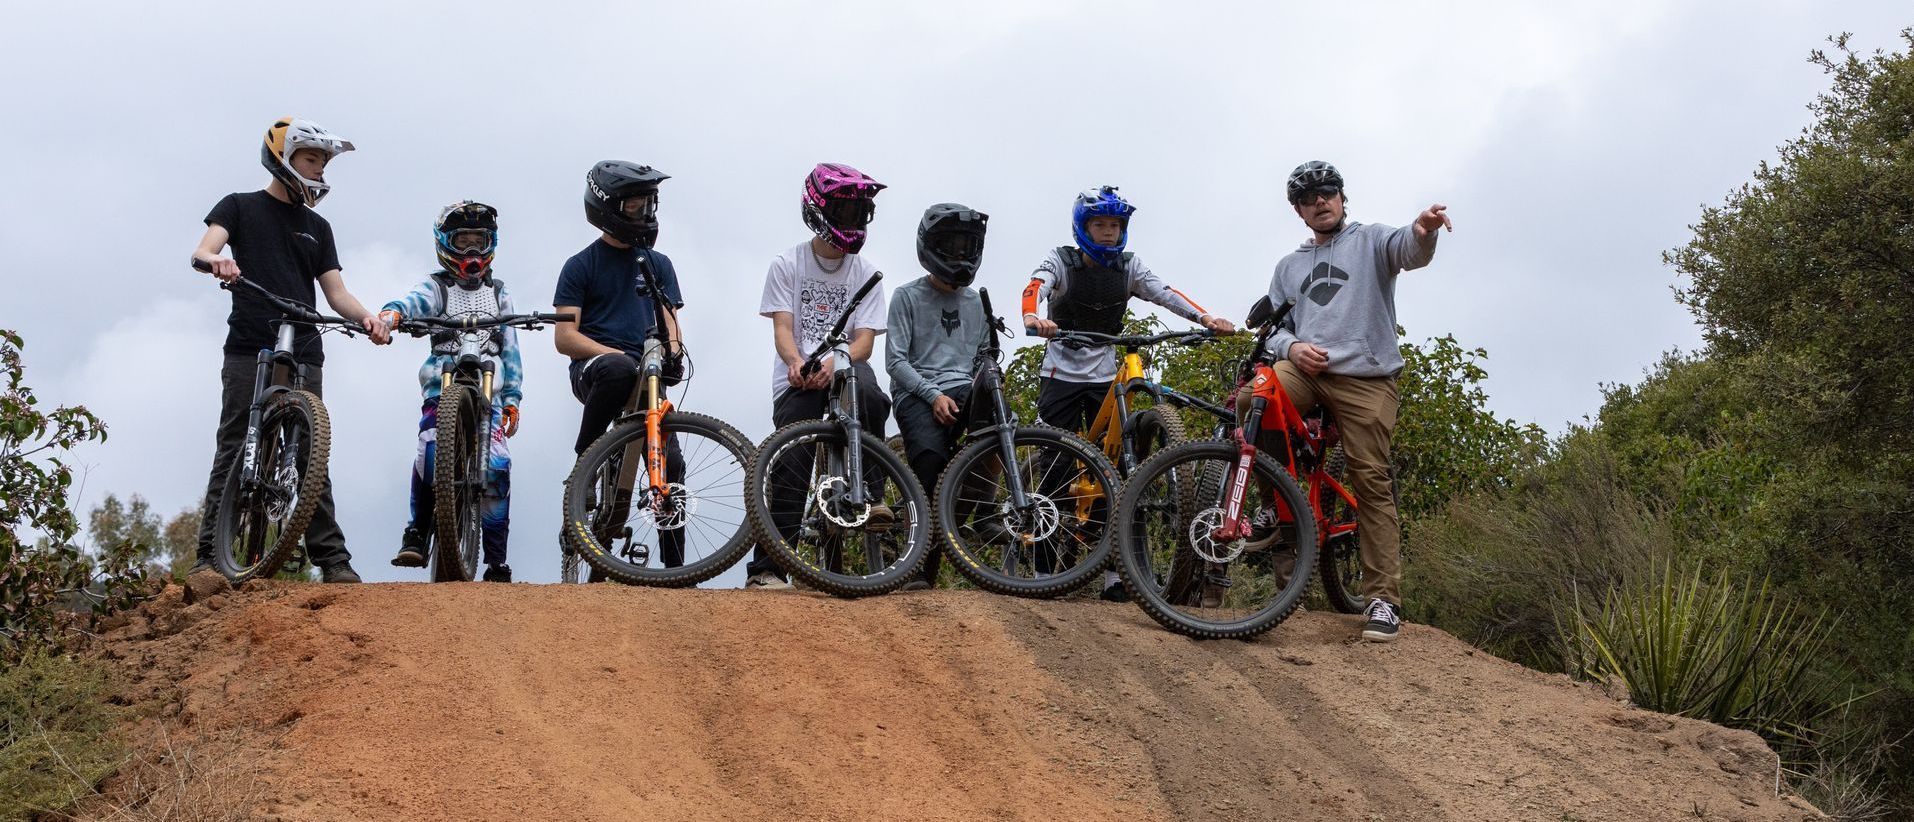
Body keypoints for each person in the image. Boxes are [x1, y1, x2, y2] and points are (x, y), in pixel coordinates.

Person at [1251, 160, 1452, 642]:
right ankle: (1278, 506)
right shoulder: (1288, 267)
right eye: (1309, 198)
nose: (1320, 202)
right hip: (1306, 372)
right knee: (1253, 398)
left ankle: (1383, 600)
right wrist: (1292, 348)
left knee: (1371, 481)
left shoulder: (1372, 240)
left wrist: (1424, 231)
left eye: (1328, 193)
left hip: (1367, 377)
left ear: (1342, 198)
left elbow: (1410, 249)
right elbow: (1274, 329)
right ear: (1298, 211)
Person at [188, 117, 390, 584]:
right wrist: (217, 260)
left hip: (304, 344)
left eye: (322, 161)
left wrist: (366, 318)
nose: (318, 169)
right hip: (249, 341)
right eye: (311, 158)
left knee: (309, 451)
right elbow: (203, 249)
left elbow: (336, 292)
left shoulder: (317, 227)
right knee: (236, 442)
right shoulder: (239, 206)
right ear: (284, 157)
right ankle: (206, 557)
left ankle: (333, 560)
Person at [1021, 185, 1235, 599]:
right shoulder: (1062, 261)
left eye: (1114, 225)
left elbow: (1165, 292)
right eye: (1099, 224)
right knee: (1057, 463)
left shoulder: (1129, 266)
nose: (1107, 232)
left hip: (1104, 370)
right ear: (1083, 227)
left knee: (1117, 467)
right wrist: (1033, 316)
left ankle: (1115, 577)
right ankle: (1042, 570)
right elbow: (1035, 286)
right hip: (1060, 371)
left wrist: (1206, 317)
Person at [751, 162, 893, 589]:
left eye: (859, 214)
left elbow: (865, 342)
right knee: (790, 458)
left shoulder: (866, 272)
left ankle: (872, 494)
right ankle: (768, 568)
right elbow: (782, 327)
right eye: (844, 212)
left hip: (844, 372)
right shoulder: (787, 263)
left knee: (871, 394)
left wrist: (837, 363)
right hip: (798, 377)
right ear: (818, 209)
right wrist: (797, 362)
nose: (852, 222)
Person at [552, 161, 687, 575]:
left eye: (649, 204)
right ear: (608, 207)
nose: (644, 214)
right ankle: (586, 462)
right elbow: (564, 337)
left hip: (647, 370)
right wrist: (613, 353)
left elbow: (670, 317)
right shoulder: (581, 265)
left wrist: (675, 350)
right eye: (634, 206)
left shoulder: (658, 263)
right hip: (597, 368)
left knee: (672, 461)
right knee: (617, 370)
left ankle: (676, 569)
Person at [381, 201, 522, 582]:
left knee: (497, 467)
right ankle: (416, 530)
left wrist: (512, 399)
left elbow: (511, 345)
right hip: (441, 385)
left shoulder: (500, 292)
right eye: (464, 241)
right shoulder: (437, 286)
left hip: (490, 388)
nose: (473, 252)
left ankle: (496, 560)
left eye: (480, 241)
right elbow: (412, 302)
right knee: (429, 449)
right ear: (447, 243)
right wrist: (394, 314)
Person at [885, 204, 992, 590]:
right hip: (916, 391)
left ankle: (979, 511)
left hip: (963, 386)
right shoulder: (906, 296)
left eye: (968, 246)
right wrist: (933, 396)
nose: (960, 255)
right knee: (929, 464)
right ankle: (917, 568)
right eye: (951, 245)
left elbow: (983, 357)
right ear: (930, 247)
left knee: (1000, 417)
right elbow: (895, 362)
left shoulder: (978, 301)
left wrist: (987, 379)